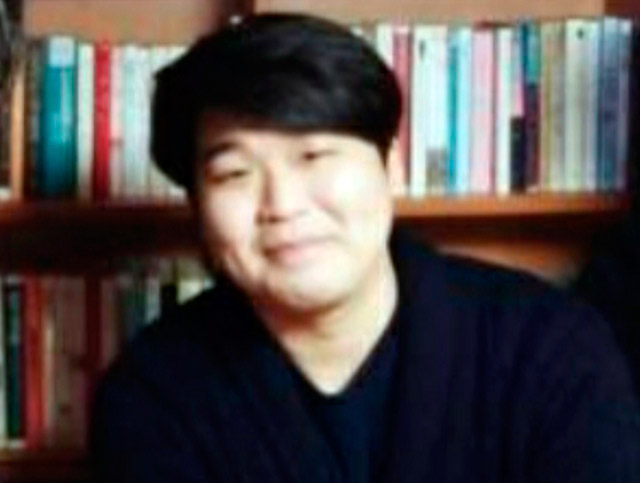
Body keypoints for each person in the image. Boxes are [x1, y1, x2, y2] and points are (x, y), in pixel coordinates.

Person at [90, 14, 640, 482]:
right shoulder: (152, 395)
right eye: (235, 173)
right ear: (197, 204)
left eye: (314, 156)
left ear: (392, 168)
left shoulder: (551, 350)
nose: (282, 205)